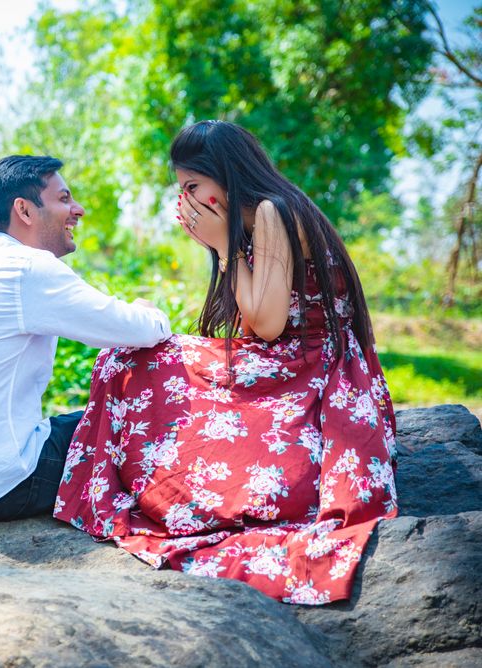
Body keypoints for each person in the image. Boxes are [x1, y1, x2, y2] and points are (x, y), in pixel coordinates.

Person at [54, 121, 398, 605]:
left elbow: (269, 326)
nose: (187, 200)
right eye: (182, 190)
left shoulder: (275, 212)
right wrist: (226, 246)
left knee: (128, 363)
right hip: (292, 363)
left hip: (311, 373)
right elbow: (256, 325)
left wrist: (222, 246)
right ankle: (158, 487)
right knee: (129, 359)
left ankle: (164, 492)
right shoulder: (262, 215)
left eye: (193, 187)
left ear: (226, 177)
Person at [0, 155, 172, 525]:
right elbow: (140, 330)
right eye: (64, 199)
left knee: (92, 418)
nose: (79, 210)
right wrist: (148, 309)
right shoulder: (26, 268)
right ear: (24, 211)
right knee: (141, 409)